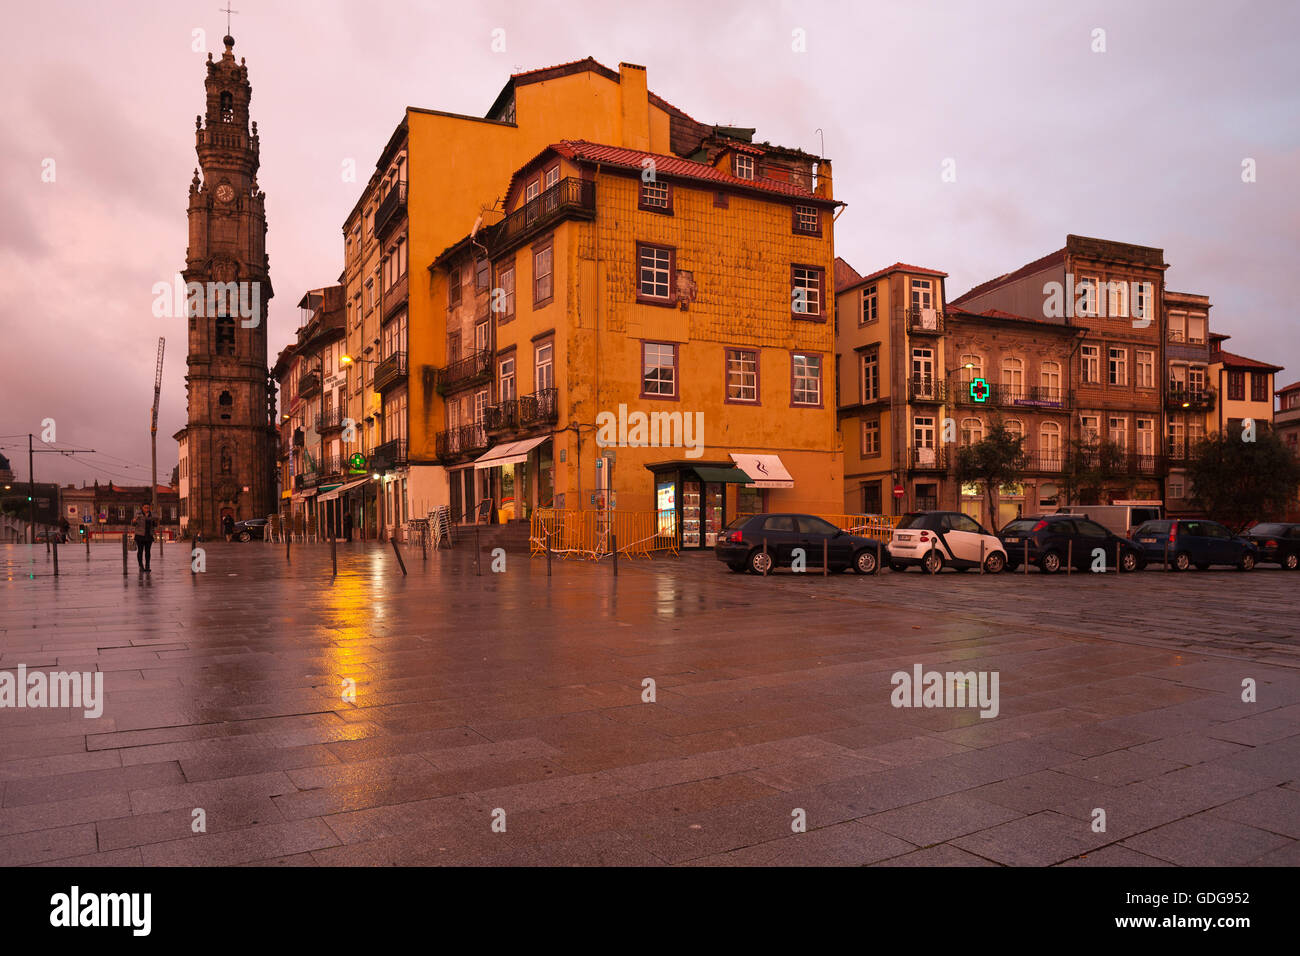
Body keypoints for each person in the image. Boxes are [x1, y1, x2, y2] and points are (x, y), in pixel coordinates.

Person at [132, 504, 156, 573]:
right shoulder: (138, 514)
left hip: (149, 535)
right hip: (140, 535)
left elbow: (155, 525)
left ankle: (147, 566)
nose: (147, 509)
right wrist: (134, 521)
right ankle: (141, 565)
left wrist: (156, 521)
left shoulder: (152, 514)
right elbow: (133, 524)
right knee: (140, 551)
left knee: (148, 552)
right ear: (142, 508)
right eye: (145, 507)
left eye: (148, 507)